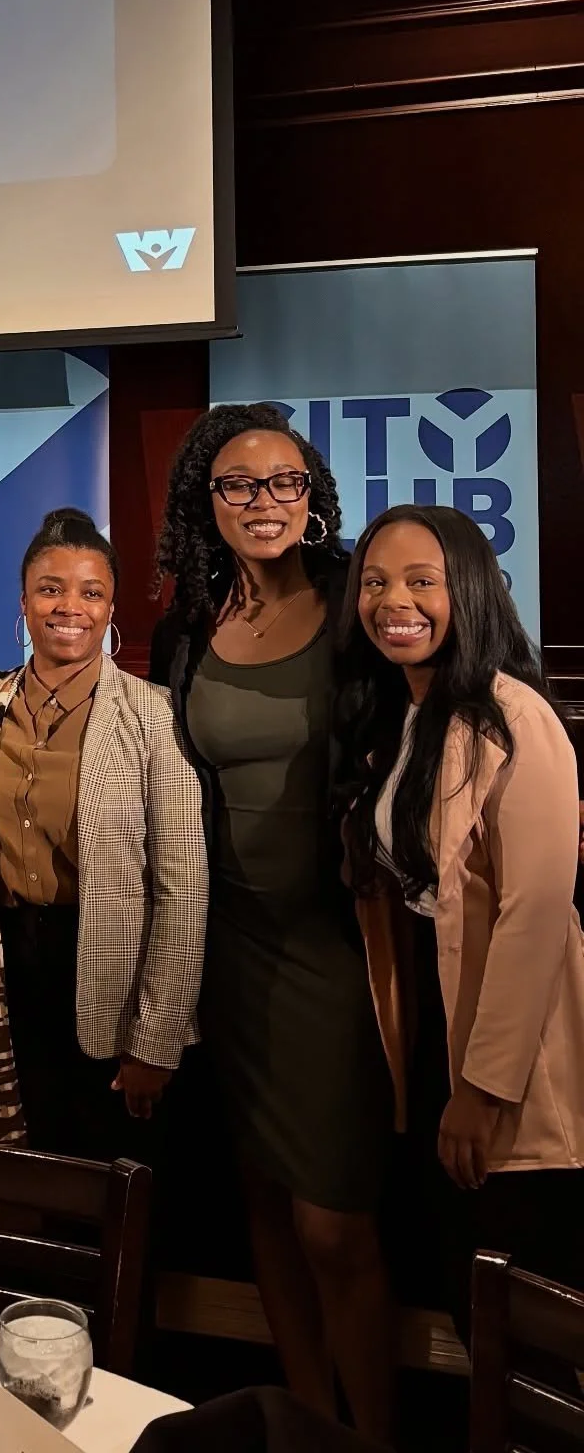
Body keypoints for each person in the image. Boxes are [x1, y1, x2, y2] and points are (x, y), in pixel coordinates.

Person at [151, 406, 394, 1440]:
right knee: (261, 1204)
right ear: (206, 501)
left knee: (331, 1223)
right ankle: (304, 1428)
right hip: (228, 948)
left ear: (312, 496)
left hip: (334, 948)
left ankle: (376, 1438)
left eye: (285, 483)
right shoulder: (187, 623)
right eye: (241, 485)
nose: (265, 502)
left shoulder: (356, 603)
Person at [337, 505, 584, 1335]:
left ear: (469, 590)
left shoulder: (516, 716)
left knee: (522, 1317)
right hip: (431, 1025)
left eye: (419, 581)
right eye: (373, 582)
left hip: (503, 1047)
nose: (391, 600)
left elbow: (537, 912)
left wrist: (482, 1090)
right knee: (461, 1290)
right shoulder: (402, 715)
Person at [0, 506, 207, 1162]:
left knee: (107, 1171)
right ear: (22, 603)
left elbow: (184, 892)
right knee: (10, 1162)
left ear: (110, 609)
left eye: (90, 591)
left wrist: (156, 1039)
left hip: (104, 966)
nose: (67, 607)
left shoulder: (155, 715)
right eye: (50, 589)